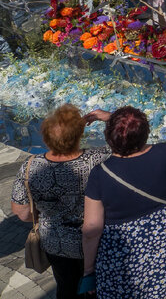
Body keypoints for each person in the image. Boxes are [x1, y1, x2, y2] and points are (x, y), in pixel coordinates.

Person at [80, 106, 166, 298]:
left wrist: (88, 270)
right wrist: (116, 119)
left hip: (123, 254)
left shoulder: (100, 174)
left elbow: (92, 230)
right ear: (145, 132)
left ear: (109, 137)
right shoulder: (164, 153)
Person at [10, 105, 109, 298]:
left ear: (45, 137)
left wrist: (49, 213)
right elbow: (130, 138)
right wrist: (108, 117)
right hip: (94, 239)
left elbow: (22, 213)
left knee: (65, 286)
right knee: (97, 287)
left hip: (55, 242)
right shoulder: (97, 159)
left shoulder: (31, 166)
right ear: (79, 135)